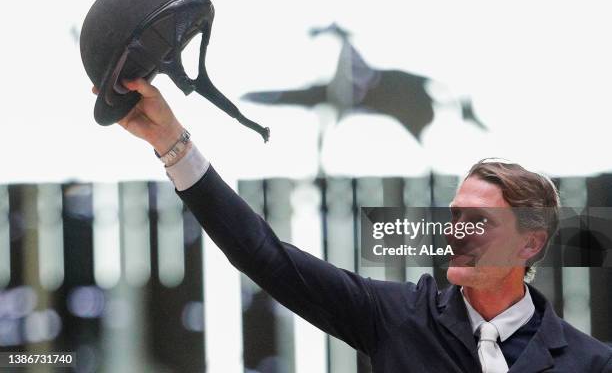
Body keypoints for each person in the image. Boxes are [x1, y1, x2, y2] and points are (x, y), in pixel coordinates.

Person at [95, 79, 612, 372]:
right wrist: (172, 143)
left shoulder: (591, 363)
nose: (457, 232)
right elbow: (263, 255)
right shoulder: (395, 315)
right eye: (455, 216)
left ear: (531, 242)